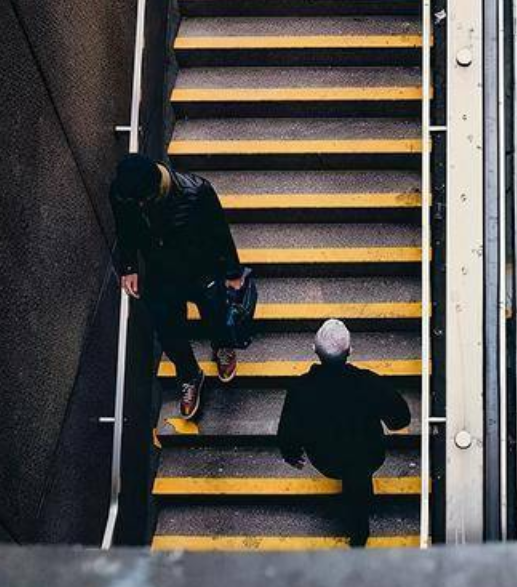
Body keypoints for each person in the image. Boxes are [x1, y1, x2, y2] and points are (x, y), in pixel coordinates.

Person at [109, 154, 244, 419]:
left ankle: (223, 347)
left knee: (217, 312)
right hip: (161, 272)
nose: (136, 205)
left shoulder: (196, 191)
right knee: (168, 329)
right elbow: (124, 230)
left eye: (141, 201)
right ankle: (189, 375)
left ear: (154, 190)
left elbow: (219, 231)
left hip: (200, 268)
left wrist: (232, 271)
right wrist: (129, 267)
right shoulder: (123, 194)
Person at [277, 319, 411, 547]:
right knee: (358, 473)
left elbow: (288, 431)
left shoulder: (300, 389)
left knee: (350, 470)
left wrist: (291, 453)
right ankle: (360, 527)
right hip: (368, 455)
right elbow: (400, 419)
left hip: (326, 458)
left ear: (314, 350)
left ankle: (358, 520)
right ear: (350, 350)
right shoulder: (369, 383)